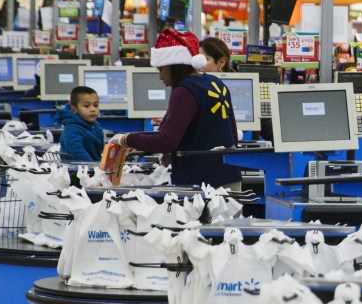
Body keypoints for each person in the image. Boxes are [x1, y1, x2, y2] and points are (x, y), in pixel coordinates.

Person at [114, 29, 239, 188]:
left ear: (174, 65)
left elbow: (166, 141)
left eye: (161, 70)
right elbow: (232, 136)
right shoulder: (216, 83)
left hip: (203, 186)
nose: (160, 77)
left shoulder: (184, 91)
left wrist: (125, 139)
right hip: (230, 179)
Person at [57, 85, 106, 163]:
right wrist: (94, 167)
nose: (93, 109)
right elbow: (76, 152)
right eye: (87, 106)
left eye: (95, 105)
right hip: (76, 172)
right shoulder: (71, 129)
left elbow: (101, 150)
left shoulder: (95, 125)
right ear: (74, 109)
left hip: (94, 170)